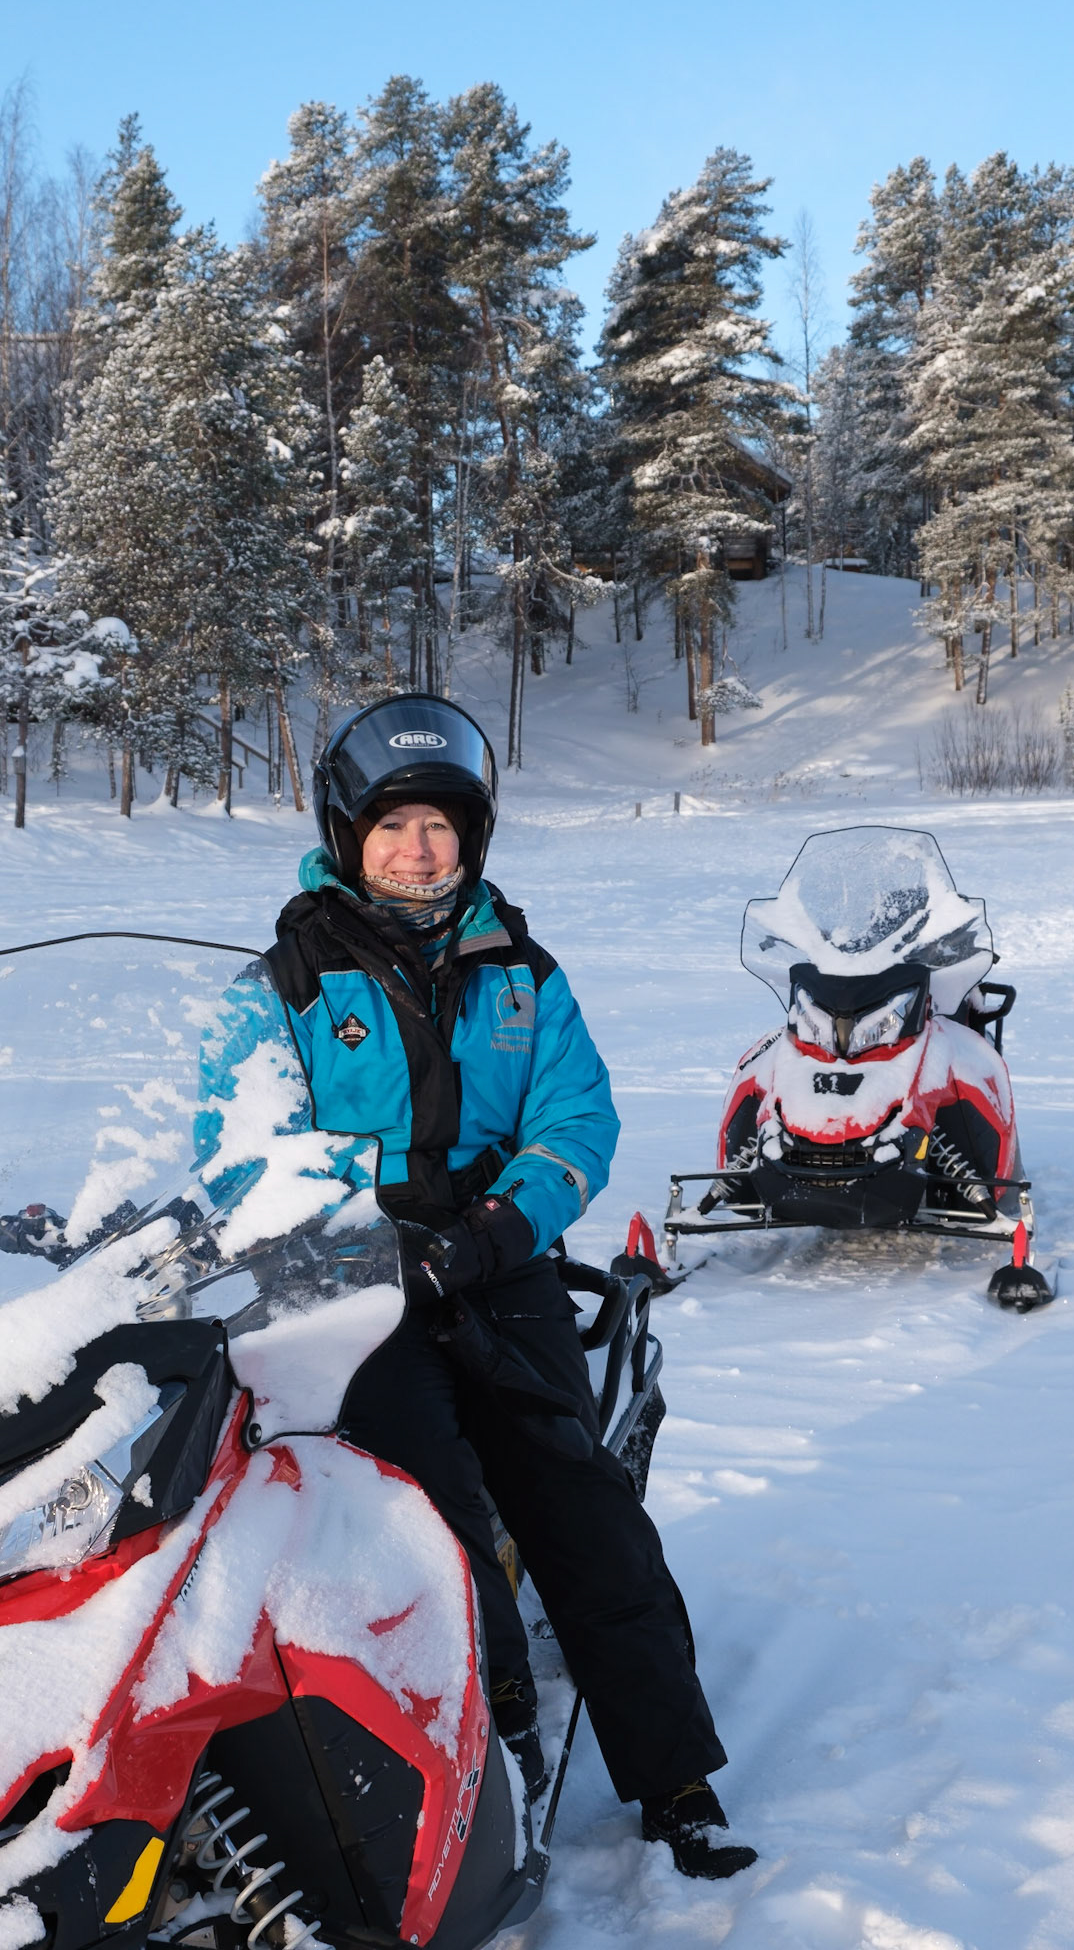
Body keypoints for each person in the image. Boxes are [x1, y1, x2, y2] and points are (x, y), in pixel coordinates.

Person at [259, 692, 756, 1881]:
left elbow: (577, 1120)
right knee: (419, 1508)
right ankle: (489, 1733)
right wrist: (331, 1223)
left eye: (439, 825)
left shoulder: (523, 974)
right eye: (393, 826)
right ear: (347, 834)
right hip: (352, 1280)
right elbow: (244, 1133)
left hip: (493, 1261)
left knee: (578, 1502)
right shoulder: (284, 978)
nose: (418, 849)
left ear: (471, 838)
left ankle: (674, 1772)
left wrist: (494, 1225)